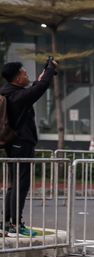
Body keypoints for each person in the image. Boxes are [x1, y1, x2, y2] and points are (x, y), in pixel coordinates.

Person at [1, 59, 57, 236]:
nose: (27, 76)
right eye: (24, 73)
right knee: (21, 184)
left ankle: (7, 222)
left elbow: (34, 89)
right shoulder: (17, 96)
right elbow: (39, 89)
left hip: (14, 143)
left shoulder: (9, 92)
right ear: (17, 78)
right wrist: (50, 70)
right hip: (21, 143)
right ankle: (16, 223)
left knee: (14, 184)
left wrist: (41, 78)